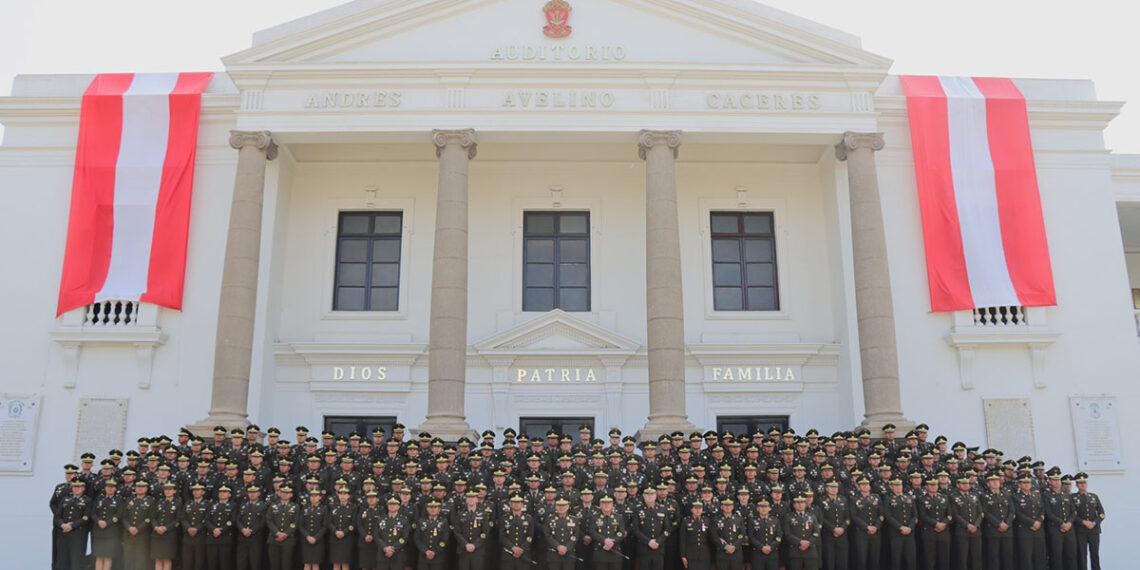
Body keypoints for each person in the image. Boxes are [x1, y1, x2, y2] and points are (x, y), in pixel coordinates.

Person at [632, 487, 672, 570]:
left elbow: (667, 529)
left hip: (659, 548)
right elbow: (635, 529)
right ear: (643, 496)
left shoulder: (663, 509)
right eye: (647, 494)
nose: (649, 496)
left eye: (652, 494)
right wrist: (648, 541)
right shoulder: (637, 509)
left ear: (656, 495)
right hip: (643, 549)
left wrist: (658, 541)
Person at [1043, 473, 1077, 570]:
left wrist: (1069, 523)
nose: (1057, 482)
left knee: (1071, 557)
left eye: (1058, 480)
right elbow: (1048, 513)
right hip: (1055, 530)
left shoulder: (1066, 494)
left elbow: (1073, 511)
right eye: (1054, 480)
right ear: (1050, 481)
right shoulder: (1046, 495)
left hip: (1069, 530)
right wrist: (1061, 524)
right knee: (1056, 558)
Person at [948, 476, 982, 570]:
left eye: (967, 483)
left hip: (976, 531)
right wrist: (967, 525)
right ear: (958, 485)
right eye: (963, 483)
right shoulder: (953, 497)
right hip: (962, 531)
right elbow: (955, 514)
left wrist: (976, 525)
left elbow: (980, 513)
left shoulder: (974, 496)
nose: (966, 485)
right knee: (962, 559)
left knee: (976, 558)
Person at [1012, 475, 1046, 570]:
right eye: (1024, 483)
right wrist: (1031, 523)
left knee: (1040, 557)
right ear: (1019, 485)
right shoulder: (1015, 497)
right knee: (1026, 558)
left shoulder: (1037, 496)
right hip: (1025, 530)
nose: (1027, 485)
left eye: (1028, 482)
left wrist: (1039, 521)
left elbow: (1042, 510)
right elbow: (1017, 513)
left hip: (1038, 530)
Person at [916, 478, 951, 570]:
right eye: (931, 485)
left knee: (944, 559)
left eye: (935, 484)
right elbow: (922, 515)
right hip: (929, 532)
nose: (933, 487)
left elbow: (949, 514)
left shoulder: (944, 498)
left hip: (943, 532)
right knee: (929, 560)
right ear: (926, 486)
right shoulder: (921, 499)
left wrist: (943, 524)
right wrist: (936, 524)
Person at [1073, 472, 1105, 570]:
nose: (1082, 485)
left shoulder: (1094, 496)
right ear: (1077, 484)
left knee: (1094, 554)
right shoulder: (1073, 497)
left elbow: (1102, 513)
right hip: (1081, 530)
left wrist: (1094, 523)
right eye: (1080, 483)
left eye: (1084, 482)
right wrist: (1083, 522)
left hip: (1094, 530)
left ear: (1087, 484)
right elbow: (1072, 515)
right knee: (1082, 555)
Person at [848, 478, 881, 570]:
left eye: (867, 484)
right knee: (861, 559)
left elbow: (881, 514)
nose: (865, 486)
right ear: (858, 487)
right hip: (861, 532)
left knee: (875, 559)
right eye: (862, 484)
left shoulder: (876, 497)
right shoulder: (854, 499)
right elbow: (854, 516)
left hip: (875, 532)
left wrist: (876, 526)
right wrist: (866, 527)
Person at [454, 490, 492, 570]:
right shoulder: (460, 514)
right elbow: (457, 532)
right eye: (469, 497)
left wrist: (475, 545)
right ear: (466, 499)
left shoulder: (483, 514)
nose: (471, 499)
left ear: (477, 499)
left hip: (478, 550)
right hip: (463, 550)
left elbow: (485, 532)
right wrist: (465, 544)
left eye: (473, 497)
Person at [883, 479, 916, 570]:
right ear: (892, 487)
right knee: (896, 559)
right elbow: (888, 516)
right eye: (896, 485)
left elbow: (915, 515)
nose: (898, 487)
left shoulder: (908, 497)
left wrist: (910, 527)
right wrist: (900, 527)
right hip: (896, 533)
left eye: (900, 485)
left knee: (911, 559)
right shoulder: (888, 499)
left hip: (909, 532)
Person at [816, 480, 849, 570]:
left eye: (835, 487)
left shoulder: (843, 499)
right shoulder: (821, 500)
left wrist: (842, 528)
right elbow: (821, 518)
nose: (834, 489)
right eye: (831, 487)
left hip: (842, 535)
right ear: (826, 488)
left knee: (842, 561)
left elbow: (848, 518)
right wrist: (833, 529)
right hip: (828, 535)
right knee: (829, 560)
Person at [589, 496, 628, 570]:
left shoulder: (618, 517)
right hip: (600, 551)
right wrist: (605, 540)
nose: (606, 505)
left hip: (615, 551)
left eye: (609, 503)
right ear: (600, 505)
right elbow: (592, 532)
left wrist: (613, 541)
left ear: (612, 505)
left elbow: (621, 532)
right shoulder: (594, 517)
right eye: (604, 503)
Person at [266, 487, 300, 570]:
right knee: (274, 564)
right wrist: (277, 533)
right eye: (283, 492)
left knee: (286, 564)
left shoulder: (295, 507)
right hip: (274, 539)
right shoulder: (273, 506)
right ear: (279, 493)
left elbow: (295, 523)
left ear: (291, 495)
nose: (285, 494)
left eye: (287, 493)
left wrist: (285, 534)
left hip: (288, 540)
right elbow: (269, 520)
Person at [123, 480, 155, 570]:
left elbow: (150, 517)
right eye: (138, 487)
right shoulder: (129, 500)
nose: (140, 489)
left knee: (141, 560)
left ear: (146, 489)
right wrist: (129, 527)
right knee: (128, 559)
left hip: (142, 534)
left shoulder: (151, 501)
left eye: (142, 487)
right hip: (129, 534)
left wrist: (138, 528)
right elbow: (124, 517)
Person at [499, 495, 535, 570]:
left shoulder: (529, 518)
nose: (516, 504)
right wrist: (513, 548)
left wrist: (521, 549)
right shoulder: (504, 518)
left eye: (518, 502)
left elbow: (530, 536)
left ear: (522, 504)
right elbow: (502, 536)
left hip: (524, 554)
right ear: (510, 504)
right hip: (508, 553)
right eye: (514, 502)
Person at [236, 485, 268, 570]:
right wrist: (243, 529)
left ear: (259, 493)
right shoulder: (243, 505)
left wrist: (252, 530)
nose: (252, 494)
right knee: (241, 562)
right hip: (242, 537)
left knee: (255, 562)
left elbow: (263, 522)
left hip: (255, 537)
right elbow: (238, 520)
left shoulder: (263, 505)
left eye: (254, 492)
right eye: (250, 492)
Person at [151, 482, 182, 570]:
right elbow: (153, 517)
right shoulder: (159, 502)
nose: (167, 491)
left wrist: (166, 528)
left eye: (170, 489)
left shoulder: (178, 504)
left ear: (174, 491)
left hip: (169, 535)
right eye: (166, 489)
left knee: (167, 559)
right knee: (158, 558)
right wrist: (156, 527)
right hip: (157, 534)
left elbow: (178, 520)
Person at [205, 485, 236, 570]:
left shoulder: (232, 506)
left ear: (229, 494)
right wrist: (213, 529)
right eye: (221, 492)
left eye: (225, 492)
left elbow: (232, 521)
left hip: (225, 538)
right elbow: (207, 520)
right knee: (211, 564)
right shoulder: (212, 505)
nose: (222, 494)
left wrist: (221, 529)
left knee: (224, 564)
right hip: (212, 537)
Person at [543, 498, 580, 570]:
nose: (561, 507)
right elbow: (547, 535)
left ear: (568, 507)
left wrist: (567, 547)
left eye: (563, 505)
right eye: (559, 505)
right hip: (554, 554)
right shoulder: (549, 519)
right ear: (555, 507)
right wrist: (558, 546)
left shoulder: (574, 519)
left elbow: (575, 536)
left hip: (569, 553)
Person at [785, 495, 821, 570]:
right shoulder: (789, 517)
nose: (800, 504)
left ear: (805, 504)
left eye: (802, 502)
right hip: (796, 551)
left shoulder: (812, 516)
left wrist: (809, 543)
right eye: (798, 503)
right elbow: (787, 534)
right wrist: (800, 542)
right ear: (794, 505)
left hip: (810, 551)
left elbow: (816, 532)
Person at [376, 496, 411, 570]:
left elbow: (404, 538)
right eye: (390, 504)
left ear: (398, 506)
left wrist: (393, 548)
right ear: (387, 506)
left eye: (394, 504)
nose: (392, 506)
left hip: (398, 554)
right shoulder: (381, 519)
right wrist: (385, 548)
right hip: (383, 554)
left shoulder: (404, 520)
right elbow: (376, 536)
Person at [181, 482, 210, 570]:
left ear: (203, 492)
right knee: (187, 561)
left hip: (200, 536)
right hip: (188, 536)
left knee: (199, 561)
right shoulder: (188, 503)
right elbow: (183, 518)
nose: (196, 492)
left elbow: (207, 519)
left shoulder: (207, 504)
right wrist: (188, 528)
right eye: (194, 490)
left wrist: (197, 528)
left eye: (198, 490)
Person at [415, 500, 450, 570]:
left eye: (435, 507)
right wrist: (425, 551)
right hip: (423, 556)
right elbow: (417, 538)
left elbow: (445, 539)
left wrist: (435, 551)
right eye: (431, 507)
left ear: (439, 509)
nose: (433, 509)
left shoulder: (444, 522)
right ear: (427, 509)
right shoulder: (421, 521)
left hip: (438, 557)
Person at [328, 486, 357, 570]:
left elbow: (353, 523)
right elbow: (329, 522)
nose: (342, 496)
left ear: (349, 496)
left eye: (345, 494)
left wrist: (344, 532)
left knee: (345, 563)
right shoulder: (333, 506)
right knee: (336, 562)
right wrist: (335, 531)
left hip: (346, 538)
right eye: (340, 494)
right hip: (335, 538)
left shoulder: (353, 507)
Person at [711, 498, 745, 570]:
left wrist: (734, 546)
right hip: (722, 552)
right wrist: (725, 547)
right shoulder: (716, 519)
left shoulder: (739, 519)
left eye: (729, 505)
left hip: (736, 552)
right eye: (725, 505)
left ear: (733, 507)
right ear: (721, 507)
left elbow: (742, 534)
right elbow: (714, 535)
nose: (727, 507)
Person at [300, 488, 328, 570]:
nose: (313, 498)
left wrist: (316, 537)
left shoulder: (323, 509)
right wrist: (307, 536)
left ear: (320, 497)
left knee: (316, 564)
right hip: (306, 540)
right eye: (311, 496)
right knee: (307, 564)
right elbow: (301, 525)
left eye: (315, 496)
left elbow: (325, 526)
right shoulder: (305, 508)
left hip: (318, 540)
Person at [679, 501, 711, 570]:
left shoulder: (707, 521)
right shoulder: (686, 521)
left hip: (704, 553)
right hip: (690, 553)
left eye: (700, 508)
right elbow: (683, 539)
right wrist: (683, 555)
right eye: (695, 508)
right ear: (691, 509)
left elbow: (710, 538)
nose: (698, 510)